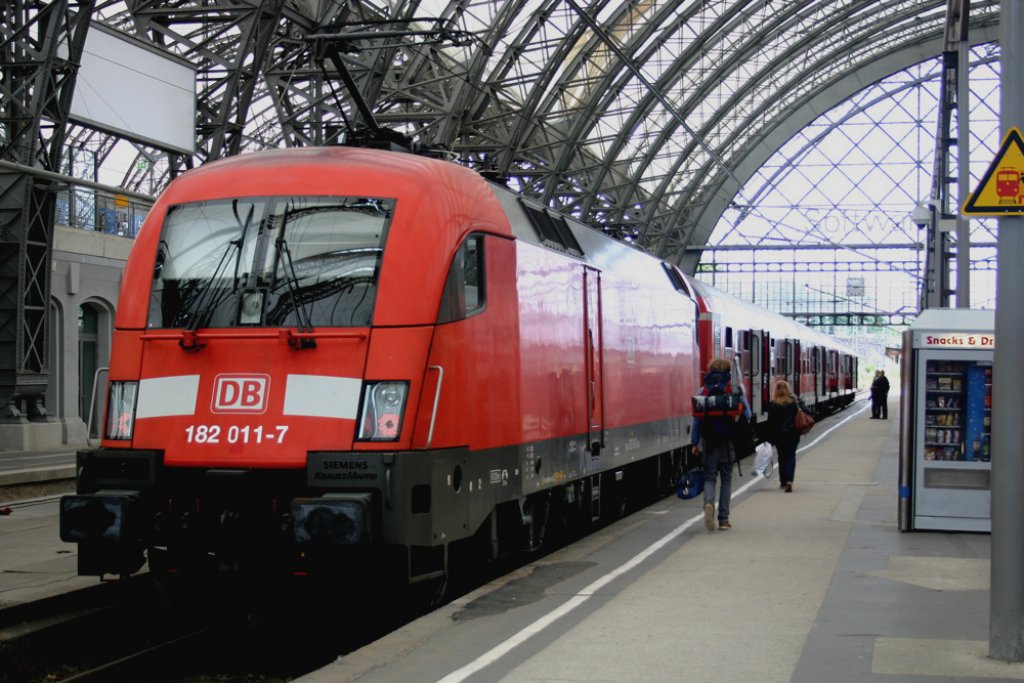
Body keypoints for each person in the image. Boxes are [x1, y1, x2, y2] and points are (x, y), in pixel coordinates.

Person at [691, 357, 751, 531]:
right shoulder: (734, 389)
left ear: (710, 371)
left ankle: (709, 504)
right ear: (728, 372)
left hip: (709, 443)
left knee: (710, 478)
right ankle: (723, 520)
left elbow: (697, 420)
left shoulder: (703, 390)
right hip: (728, 442)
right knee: (726, 480)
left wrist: (695, 443)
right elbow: (748, 414)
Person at [766, 379, 807, 493]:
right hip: (792, 433)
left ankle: (783, 481)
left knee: (781, 457)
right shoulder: (794, 403)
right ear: (787, 389)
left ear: (775, 390)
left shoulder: (772, 404)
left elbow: (770, 423)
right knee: (791, 456)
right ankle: (789, 480)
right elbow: (807, 411)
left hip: (779, 435)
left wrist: (769, 438)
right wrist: (800, 401)